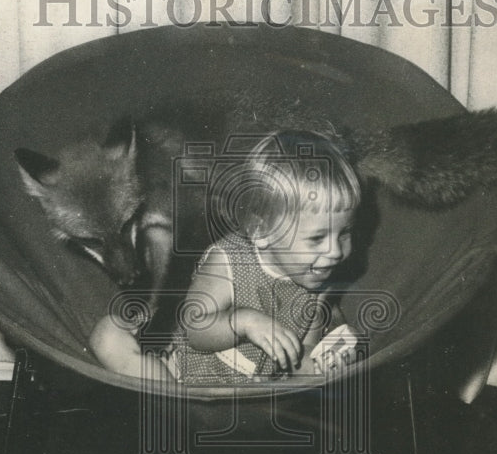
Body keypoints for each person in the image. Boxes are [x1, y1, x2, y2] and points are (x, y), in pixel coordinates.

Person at [89, 130, 361, 383]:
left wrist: (317, 364)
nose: (335, 252)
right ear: (262, 231)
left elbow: (302, 352)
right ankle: (169, 397)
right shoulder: (228, 261)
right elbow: (194, 329)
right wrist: (243, 322)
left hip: (255, 392)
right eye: (316, 239)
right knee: (107, 333)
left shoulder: (318, 282)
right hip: (183, 373)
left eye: (345, 233)